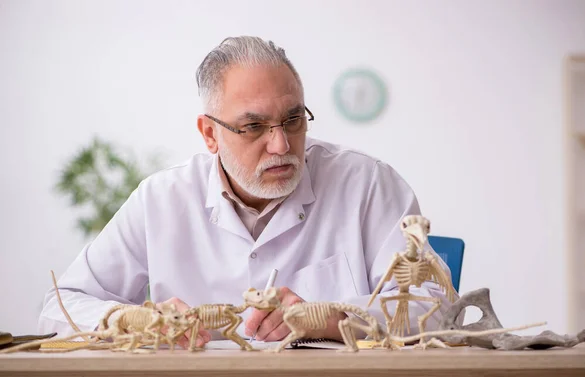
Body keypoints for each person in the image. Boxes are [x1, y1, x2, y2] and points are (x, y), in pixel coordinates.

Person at [39, 36, 458, 348]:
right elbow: (59, 309)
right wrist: (133, 319)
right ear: (209, 134)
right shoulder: (161, 200)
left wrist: (328, 318)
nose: (280, 145)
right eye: (254, 127)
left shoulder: (368, 184)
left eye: (293, 120)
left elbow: (439, 310)